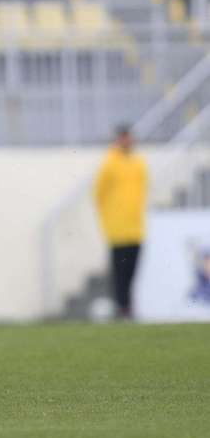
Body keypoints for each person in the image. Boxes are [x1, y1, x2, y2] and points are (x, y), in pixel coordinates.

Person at [94, 125, 148, 319]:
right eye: (124, 138)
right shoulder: (109, 163)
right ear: (118, 140)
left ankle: (128, 308)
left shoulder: (139, 163)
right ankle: (121, 308)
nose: (127, 141)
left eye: (129, 138)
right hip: (117, 229)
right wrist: (108, 218)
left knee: (132, 271)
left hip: (136, 228)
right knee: (120, 273)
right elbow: (99, 194)